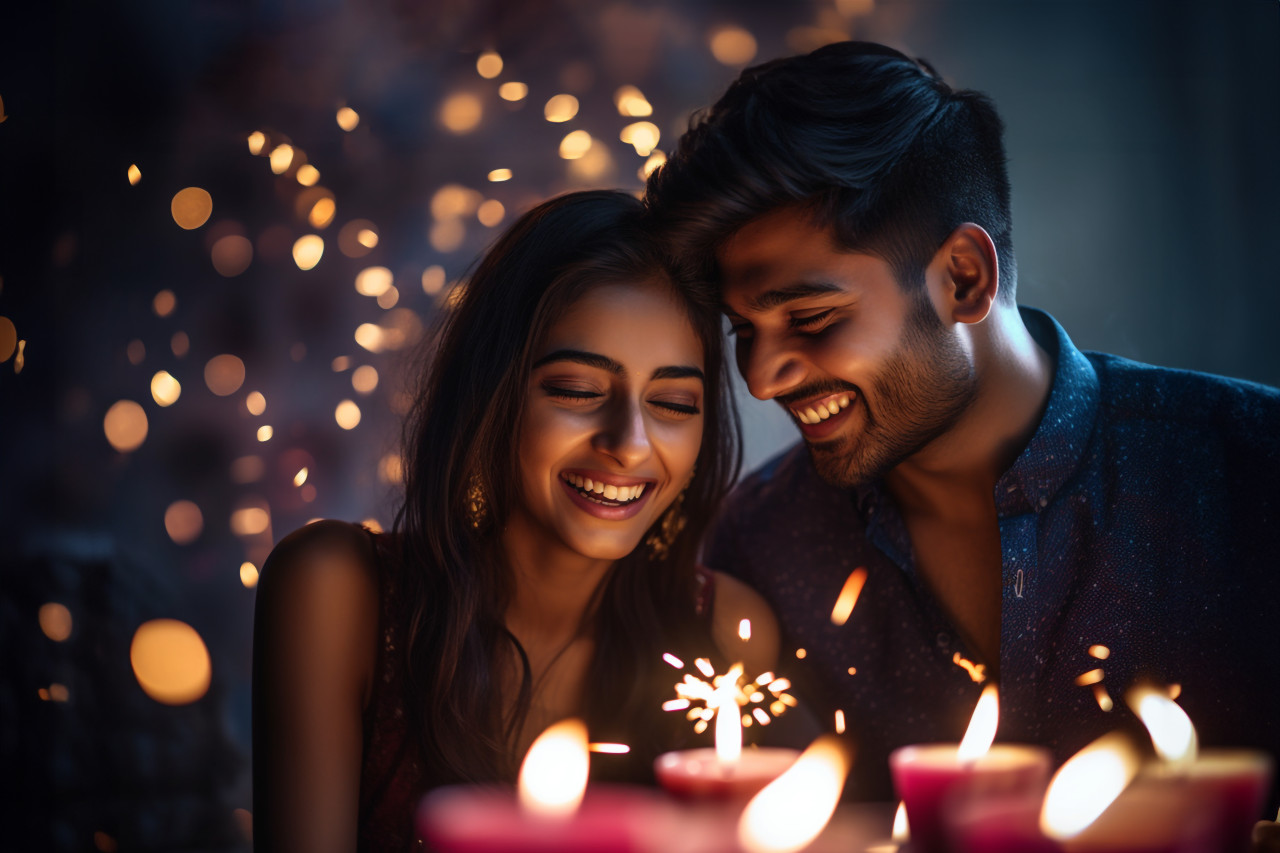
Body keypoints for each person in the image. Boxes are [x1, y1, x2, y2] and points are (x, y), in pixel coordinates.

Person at [646, 39, 1280, 821]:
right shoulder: (764, 543)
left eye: (809, 318)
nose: (761, 376)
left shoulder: (1251, 472)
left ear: (962, 279)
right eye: (744, 330)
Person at [251, 190, 779, 853]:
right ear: (492, 394)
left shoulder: (725, 631)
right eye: (578, 391)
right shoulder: (337, 590)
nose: (630, 442)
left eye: (674, 401)